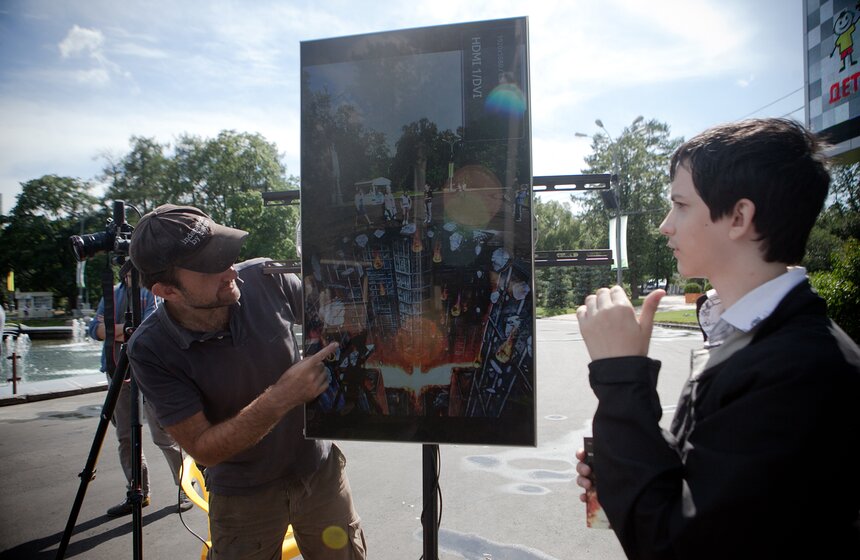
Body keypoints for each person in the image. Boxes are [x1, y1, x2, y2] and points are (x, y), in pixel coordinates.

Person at [574, 118, 860, 558]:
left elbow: (680, 546)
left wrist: (619, 378)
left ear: (740, 217)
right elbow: (705, 484)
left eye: (681, 205)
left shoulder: (798, 370)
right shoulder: (758, 336)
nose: (666, 225)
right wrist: (625, 462)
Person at [126, 204, 366, 559]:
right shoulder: (150, 349)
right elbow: (204, 448)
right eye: (209, 266)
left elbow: (341, 319)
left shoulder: (268, 277)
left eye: (225, 254)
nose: (230, 272)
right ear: (166, 291)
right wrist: (282, 396)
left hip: (319, 472)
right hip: (241, 495)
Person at [88, 261, 190, 516]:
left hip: (150, 372)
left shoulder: (152, 291)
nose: (126, 269)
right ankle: (137, 491)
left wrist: (113, 331)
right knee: (125, 436)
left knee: (164, 436)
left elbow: (148, 329)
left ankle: (185, 489)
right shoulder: (113, 293)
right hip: (117, 371)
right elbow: (94, 330)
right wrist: (124, 331)